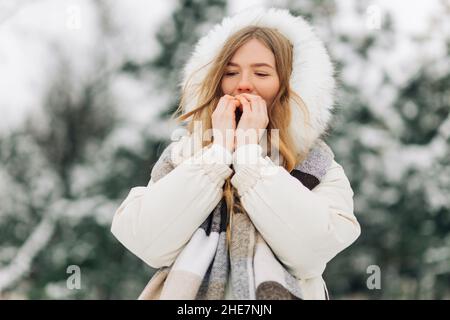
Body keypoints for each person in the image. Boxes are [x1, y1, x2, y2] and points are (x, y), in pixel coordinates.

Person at [111, 7, 361, 300]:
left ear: (290, 86)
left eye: (262, 72)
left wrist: (248, 157)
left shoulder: (319, 166)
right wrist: (218, 154)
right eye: (230, 72)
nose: (243, 83)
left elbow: (309, 253)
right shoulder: (184, 154)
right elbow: (146, 241)